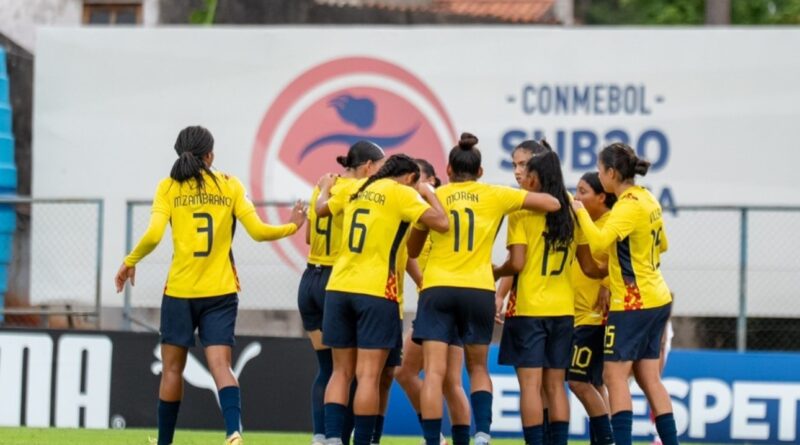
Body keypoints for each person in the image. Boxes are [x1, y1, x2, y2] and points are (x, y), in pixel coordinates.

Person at [114, 125, 306, 445]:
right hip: (221, 292)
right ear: (211, 155)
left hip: (180, 292)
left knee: (172, 370)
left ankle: (164, 443)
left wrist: (130, 261)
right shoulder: (230, 185)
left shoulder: (169, 187)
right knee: (222, 366)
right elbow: (258, 232)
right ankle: (233, 432)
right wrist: (293, 225)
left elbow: (152, 236)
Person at [412, 133, 561, 445]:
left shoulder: (435, 196)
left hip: (438, 287)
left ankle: (431, 441)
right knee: (477, 367)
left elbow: (413, 250)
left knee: (435, 372)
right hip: (479, 288)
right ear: (480, 172)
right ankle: (482, 433)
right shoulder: (496, 194)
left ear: (448, 170)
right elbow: (552, 202)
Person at [316, 153, 449, 445]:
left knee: (340, 372)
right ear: (409, 178)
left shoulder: (355, 188)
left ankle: (332, 440)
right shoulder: (401, 193)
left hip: (338, 288)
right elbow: (442, 223)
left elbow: (321, 209)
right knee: (368, 376)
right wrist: (428, 193)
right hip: (376, 291)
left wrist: (325, 188)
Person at [572, 143, 678, 445]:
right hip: (657, 297)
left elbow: (599, 241)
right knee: (649, 379)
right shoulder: (648, 199)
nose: (598, 174)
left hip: (633, 301)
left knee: (613, 377)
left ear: (611, 173)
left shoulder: (628, 205)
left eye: (599, 168)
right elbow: (663, 245)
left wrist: (579, 214)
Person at [300, 141, 385, 445]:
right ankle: (344, 437)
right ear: (367, 167)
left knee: (328, 368)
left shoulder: (323, 186)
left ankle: (321, 436)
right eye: (380, 166)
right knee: (349, 371)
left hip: (309, 278)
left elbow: (309, 236)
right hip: (338, 280)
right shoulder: (360, 191)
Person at [492, 150, 579, 445]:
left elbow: (516, 263)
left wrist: (495, 272)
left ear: (537, 176)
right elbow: (588, 262)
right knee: (556, 386)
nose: (522, 176)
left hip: (529, 309)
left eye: (527, 171)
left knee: (529, 386)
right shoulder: (571, 210)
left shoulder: (522, 210)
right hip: (563, 310)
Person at [394, 159, 469, 445]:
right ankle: (439, 437)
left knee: (424, 375)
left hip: (442, 302)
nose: (413, 186)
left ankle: (434, 437)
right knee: (446, 381)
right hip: (440, 301)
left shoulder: (441, 212)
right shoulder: (417, 215)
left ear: (435, 181)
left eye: (419, 180)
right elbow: (409, 256)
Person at [567, 172, 617, 445]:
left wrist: (607, 283)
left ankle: (608, 440)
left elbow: (622, 260)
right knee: (595, 384)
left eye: (583, 191)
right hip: (576, 315)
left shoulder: (611, 225)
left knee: (577, 381)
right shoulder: (585, 221)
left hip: (593, 318)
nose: (577, 197)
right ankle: (600, 440)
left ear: (601, 196)